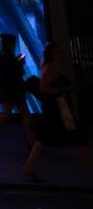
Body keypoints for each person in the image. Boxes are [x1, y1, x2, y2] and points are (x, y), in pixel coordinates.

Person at [23, 42, 92, 180]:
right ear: (53, 54)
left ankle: (29, 166)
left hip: (57, 109)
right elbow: (44, 89)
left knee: (45, 139)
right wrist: (66, 88)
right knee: (79, 139)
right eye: (58, 53)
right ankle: (29, 166)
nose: (62, 56)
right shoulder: (48, 69)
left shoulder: (51, 68)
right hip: (57, 109)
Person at [0, 33, 35, 151]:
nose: (14, 45)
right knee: (22, 114)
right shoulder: (6, 57)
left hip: (5, 90)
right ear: (10, 43)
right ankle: (32, 142)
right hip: (13, 90)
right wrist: (19, 64)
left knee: (7, 114)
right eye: (13, 43)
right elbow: (13, 72)